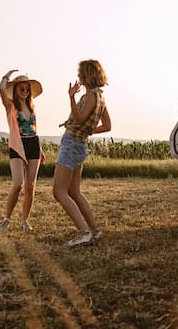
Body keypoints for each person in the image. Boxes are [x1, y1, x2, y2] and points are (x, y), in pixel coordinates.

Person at [53, 59, 111, 247]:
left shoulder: (90, 96)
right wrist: (85, 129)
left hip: (71, 145)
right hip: (80, 144)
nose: (78, 77)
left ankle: (83, 232)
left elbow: (79, 119)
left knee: (59, 192)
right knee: (74, 191)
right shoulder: (100, 97)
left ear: (87, 75)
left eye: (80, 74)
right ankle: (95, 230)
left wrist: (71, 97)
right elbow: (107, 126)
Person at [0, 70, 45, 232]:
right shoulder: (10, 106)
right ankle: (6, 219)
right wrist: (6, 77)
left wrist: (40, 149)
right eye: (21, 89)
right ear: (16, 90)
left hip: (33, 145)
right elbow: (1, 90)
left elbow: (34, 129)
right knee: (18, 184)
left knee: (30, 186)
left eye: (27, 89)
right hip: (17, 146)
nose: (25, 92)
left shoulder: (32, 107)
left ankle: (25, 221)